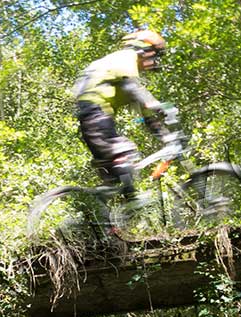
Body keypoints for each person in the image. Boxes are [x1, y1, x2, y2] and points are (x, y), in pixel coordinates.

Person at [72, 30, 179, 207]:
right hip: (95, 113)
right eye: (156, 54)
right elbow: (133, 88)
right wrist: (157, 105)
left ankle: (97, 219)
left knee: (113, 181)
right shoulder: (126, 57)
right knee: (125, 152)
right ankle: (132, 202)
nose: (156, 61)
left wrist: (166, 137)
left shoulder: (122, 77)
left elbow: (147, 117)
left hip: (95, 119)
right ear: (144, 49)